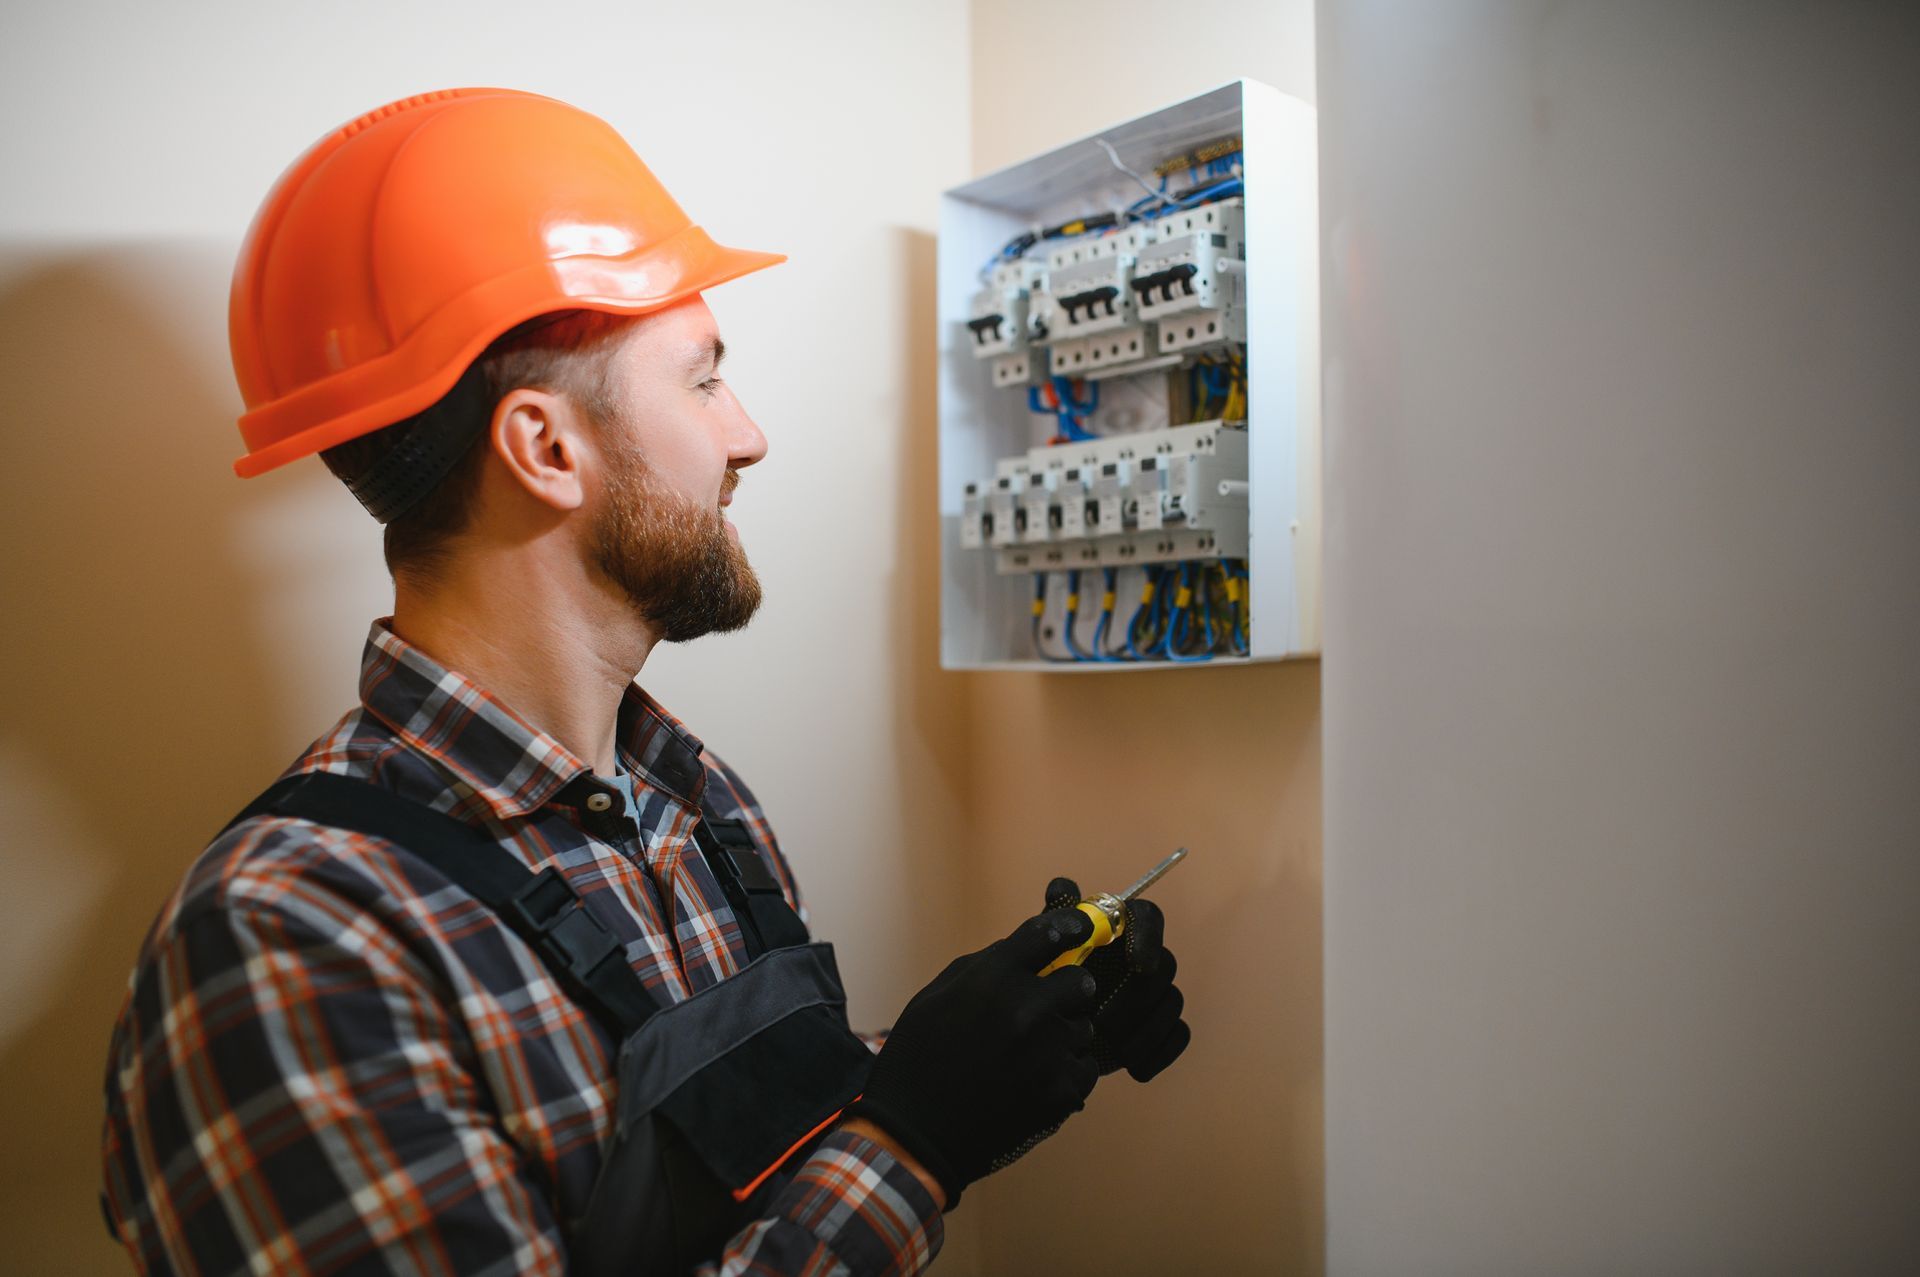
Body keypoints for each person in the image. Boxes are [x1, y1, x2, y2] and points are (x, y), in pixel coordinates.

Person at [100, 88, 1189, 1276]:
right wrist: (915, 1144)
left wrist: (985, 1054)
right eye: (704, 378)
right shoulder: (290, 941)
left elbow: (720, 1166)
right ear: (545, 450)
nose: (750, 434)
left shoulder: (692, 803)